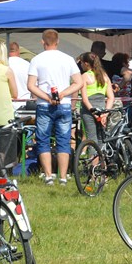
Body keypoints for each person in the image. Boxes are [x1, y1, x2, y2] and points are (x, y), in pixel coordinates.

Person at [28, 29, 80, 185]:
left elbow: (31, 85)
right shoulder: (68, 59)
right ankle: (63, 177)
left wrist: (46, 97)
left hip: (44, 104)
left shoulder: (36, 60)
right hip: (63, 105)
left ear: (42, 42)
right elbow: (78, 82)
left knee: (43, 140)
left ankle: (49, 176)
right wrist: (63, 94)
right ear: (58, 42)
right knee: (63, 140)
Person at [78, 51, 114, 143]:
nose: (80, 65)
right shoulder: (105, 76)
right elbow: (111, 97)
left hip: (89, 110)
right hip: (102, 109)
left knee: (91, 138)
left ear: (86, 64)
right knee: (101, 138)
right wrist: (105, 113)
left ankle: (94, 157)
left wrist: (94, 113)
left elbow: (85, 99)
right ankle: (102, 156)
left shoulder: (85, 76)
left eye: (81, 62)